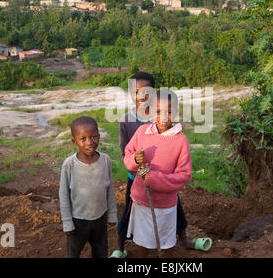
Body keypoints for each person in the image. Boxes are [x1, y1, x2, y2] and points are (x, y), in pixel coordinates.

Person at [110, 72, 193, 259]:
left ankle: (184, 239)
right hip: (138, 184)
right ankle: (121, 245)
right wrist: (136, 162)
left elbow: (181, 170)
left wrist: (156, 179)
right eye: (136, 92)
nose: (141, 96)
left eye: (146, 92)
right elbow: (127, 153)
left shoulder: (173, 133)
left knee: (172, 217)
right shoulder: (133, 124)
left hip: (165, 190)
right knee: (132, 218)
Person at [59, 116, 117, 258]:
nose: (90, 142)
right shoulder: (69, 165)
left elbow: (110, 189)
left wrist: (112, 214)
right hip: (77, 220)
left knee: (101, 250)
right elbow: (64, 194)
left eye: (94, 137)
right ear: (74, 141)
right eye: (83, 139)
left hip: (100, 218)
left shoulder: (105, 160)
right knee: (73, 253)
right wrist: (67, 222)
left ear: (99, 135)